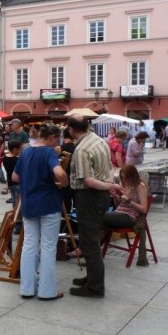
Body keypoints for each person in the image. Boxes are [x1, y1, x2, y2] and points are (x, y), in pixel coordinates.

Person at [12, 125, 68, 300]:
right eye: (56, 139)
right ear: (51, 137)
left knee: (29, 246)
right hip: (49, 203)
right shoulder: (49, 153)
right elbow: (58, 172)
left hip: (29, 204)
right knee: (48, 247)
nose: (57, 143)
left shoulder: (26, 151)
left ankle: (27, 289)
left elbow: (15, 177)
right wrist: (64, 182)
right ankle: (46, 291)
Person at [68, 114, 119, 298]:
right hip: (100, 197)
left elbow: (88, 181)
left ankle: (95, 287)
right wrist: (110, 185)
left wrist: (110, 186)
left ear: (71, 130)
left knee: (89, 243)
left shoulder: (81, 149)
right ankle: (91, 277)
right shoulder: (99, 140)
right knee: (91, 239)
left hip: (89, 196)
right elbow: (111, 168)